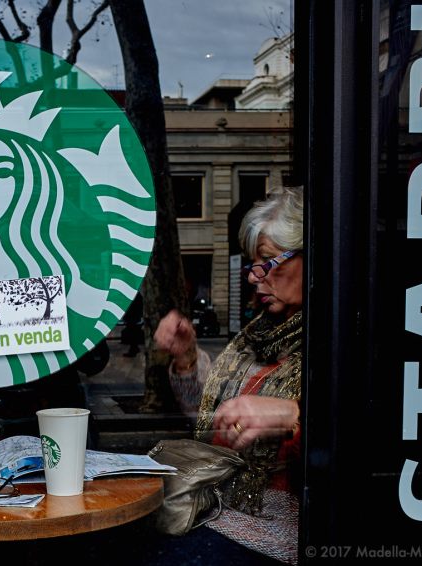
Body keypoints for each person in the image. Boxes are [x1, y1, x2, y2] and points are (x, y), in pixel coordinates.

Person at [153, 187, 303, 565]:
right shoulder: (260, 335)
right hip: (216, 515)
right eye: (252, 264)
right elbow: (214, 423)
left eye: (267, 262)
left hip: (273, 535)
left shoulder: (346, 342)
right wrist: (187, 357)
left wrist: (293, 415)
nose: (254, 277)